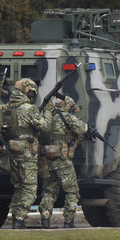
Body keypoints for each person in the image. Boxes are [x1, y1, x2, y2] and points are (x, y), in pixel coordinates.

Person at [7, 78, 51, 229]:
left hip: (12, 152)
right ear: (29, 91)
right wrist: (49, 112)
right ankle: (19, 219)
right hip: (26, 153)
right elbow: (44, 127)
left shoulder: (7, 108)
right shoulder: (28, 108)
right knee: (30, 189)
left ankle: (16, 218)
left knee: (19, 187)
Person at [38, 96, 87, 228]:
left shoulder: (46, 118)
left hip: (47, 160)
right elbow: (82, 129)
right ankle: (69, 221)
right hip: (62, 159)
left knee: (49, 190)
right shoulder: (65, 117)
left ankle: (45, 220)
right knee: (72, 191)